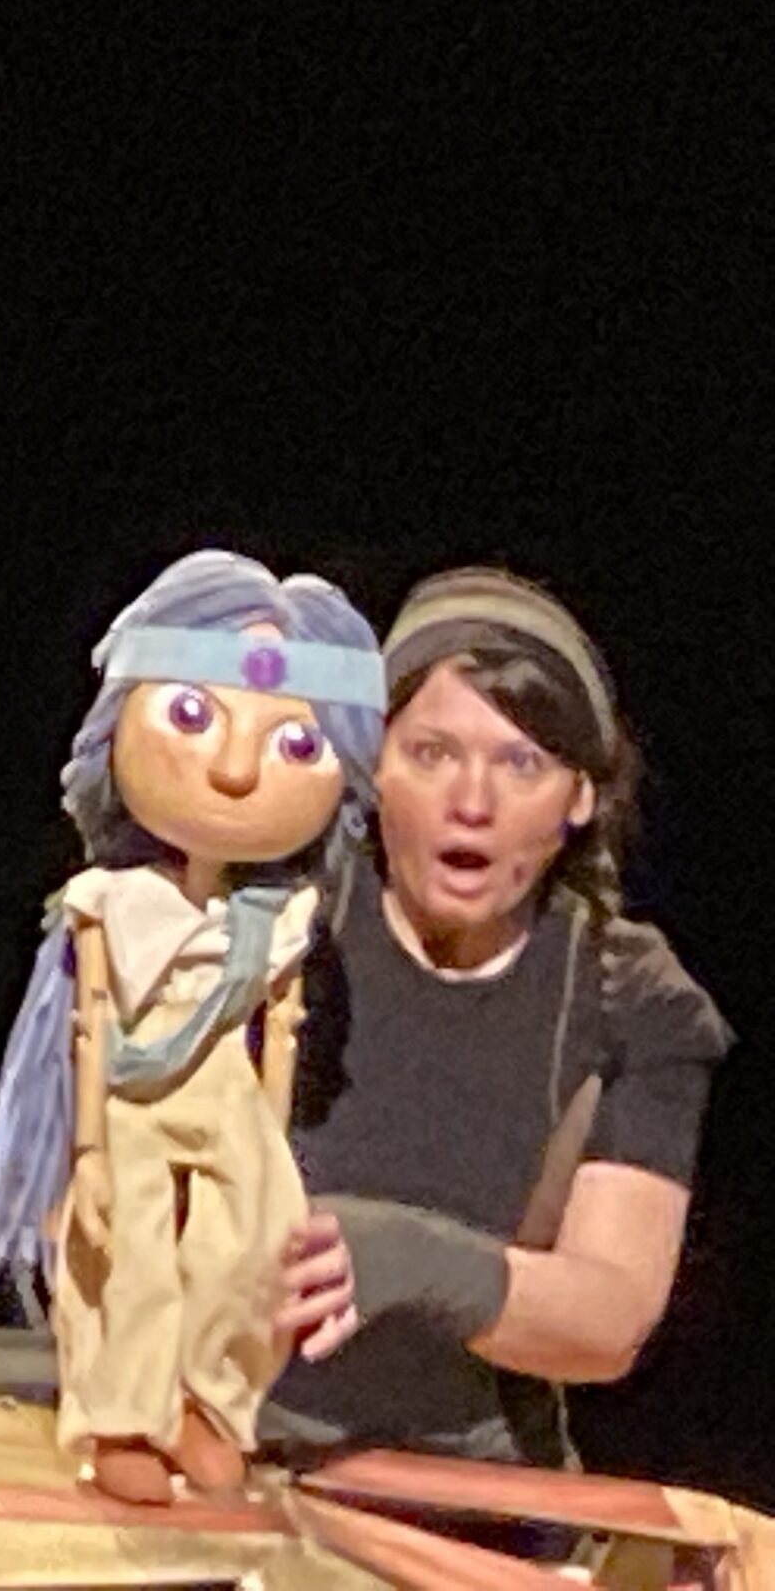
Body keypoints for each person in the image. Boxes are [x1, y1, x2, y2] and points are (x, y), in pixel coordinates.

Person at [0, 550, 384, 1503]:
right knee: (131, 1254)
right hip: (135, 1097)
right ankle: (124, 1416)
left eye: (295, 743)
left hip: (229, 1096)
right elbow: (90, 1021)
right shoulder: (111, 903)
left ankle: (210, 1402)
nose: (233, 769)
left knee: (251, 1248)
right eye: (192, 716)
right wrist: (87, 1149)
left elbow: (280, 1030)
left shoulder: (280, 918)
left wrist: (271, 1140)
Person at [273, 568, 731, 1465]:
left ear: (580, 797)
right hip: (232, 1457)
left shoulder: (628, 998)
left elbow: (610, 1320)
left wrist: (412, 1261)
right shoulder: (278, 932)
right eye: (432, 753)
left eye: (522, 764)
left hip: (474, 1489)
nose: (472, 802)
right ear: (373, 765)